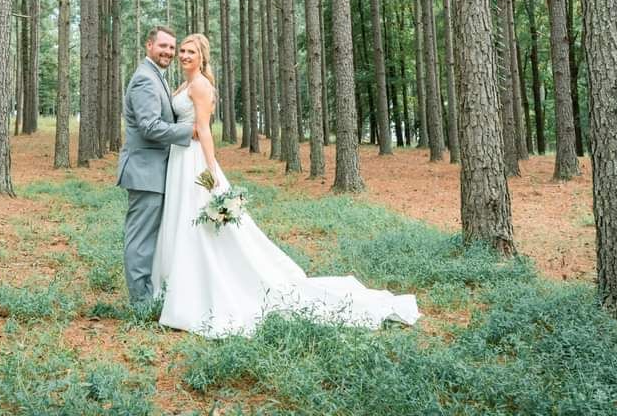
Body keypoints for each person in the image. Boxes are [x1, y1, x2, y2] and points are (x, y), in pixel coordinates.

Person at [152, 33, 420, 338]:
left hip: (194, 162)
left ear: (202, 57)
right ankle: (177, 285)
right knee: (182, 221)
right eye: (182, 51)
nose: (184, 56)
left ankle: (196, 292)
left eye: (191, 52)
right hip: (179, 157)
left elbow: (205, 131)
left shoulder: (200, 85)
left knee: (197, 226)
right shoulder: (184, 84)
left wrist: (211, 174)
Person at [116, 26, 195, 306]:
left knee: (150, 236)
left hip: (156, 170)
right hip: (144, 171)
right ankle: (140, 303)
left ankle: (150, 294)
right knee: (140, 238)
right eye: (163, 46)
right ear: (149, 45)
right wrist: (189, 131)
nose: (169, 52)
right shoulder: (145, 80)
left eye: (172, 48)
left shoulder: (156, 76)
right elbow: (149, 127)